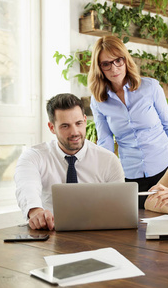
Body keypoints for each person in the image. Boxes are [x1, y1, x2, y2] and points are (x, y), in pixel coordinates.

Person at [88, 36, 168, 209]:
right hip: (131, 174)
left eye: (118, 60)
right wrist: (104, 174)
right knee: (136, 224)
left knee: (166, 218)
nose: (114, 68)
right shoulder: (98, 101)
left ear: (125, 59)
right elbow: (105, 140)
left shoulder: (151, 87)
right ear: (99, 68)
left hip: (166, 168)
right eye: (106, 64)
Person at [14, 93, 125, 230]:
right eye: (65, 126)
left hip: (98, 233)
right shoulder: (33, 157)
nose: (75, 132)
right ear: (51, 127)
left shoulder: (108, 160)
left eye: (78, 123)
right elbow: (27, 187)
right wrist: (35, 211)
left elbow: (119, 208)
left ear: (85, 120)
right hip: (49, 232)